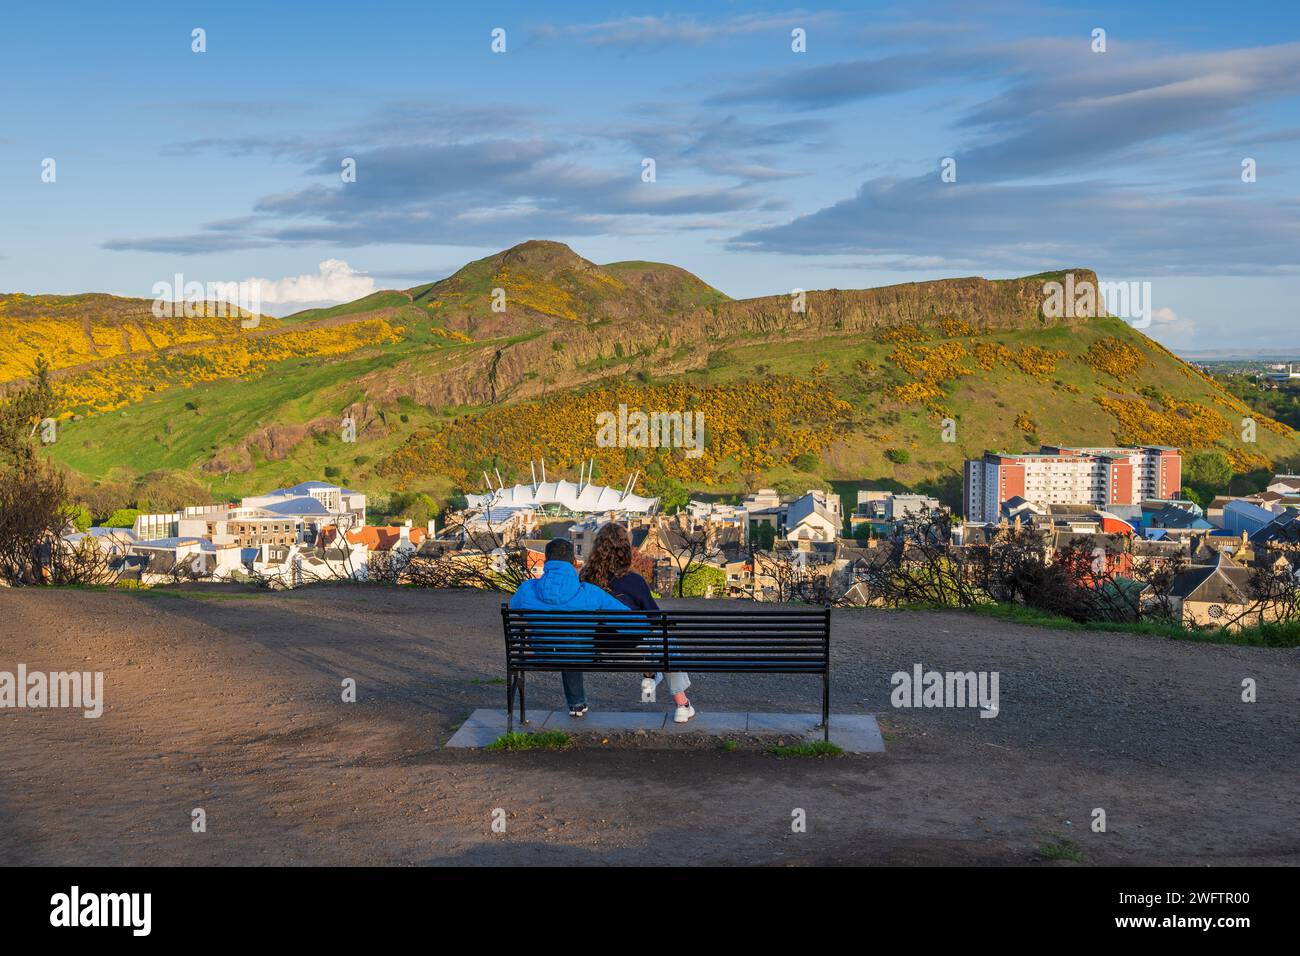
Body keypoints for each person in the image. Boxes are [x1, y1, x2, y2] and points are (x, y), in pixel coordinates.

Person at [580, 522, 695, 724]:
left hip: (598, 648)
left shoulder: (585, 578)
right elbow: (654, 618)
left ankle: (651, 674)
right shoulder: (633, 580)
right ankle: (681, 704)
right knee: (665, 640)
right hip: (633, 649)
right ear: (625, 550)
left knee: (659, 639)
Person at [508, 536, 630, 718]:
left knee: (566, 641)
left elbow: (512, 611)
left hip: (542, 653)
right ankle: (576, 704)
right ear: (574, 563)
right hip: (580, 654)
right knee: (573, 643)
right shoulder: (590, 592)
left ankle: (577, 703)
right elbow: (632, 623)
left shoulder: (527, 589)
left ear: (545, 561)